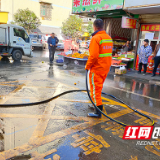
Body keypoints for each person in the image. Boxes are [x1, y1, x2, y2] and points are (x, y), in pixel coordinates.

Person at [85, 19, 113, 118]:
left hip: (97, 69)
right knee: (98, 88)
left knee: (95, 90)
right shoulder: (108, 37)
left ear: (94, 27)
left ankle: (98, 112)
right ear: (102, 26)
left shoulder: (96, 38)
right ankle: (95, 104)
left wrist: (87, 66)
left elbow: (93, 56)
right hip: (105, 68)